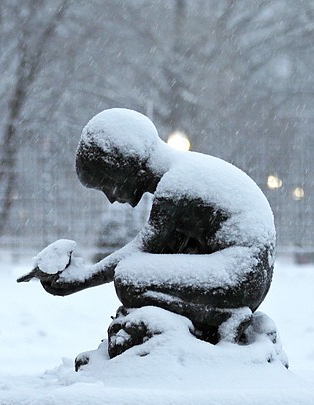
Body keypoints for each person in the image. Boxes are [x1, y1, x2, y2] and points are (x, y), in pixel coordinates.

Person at [27, 108, 276, 358]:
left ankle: (223, 316)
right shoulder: (186, 171)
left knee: (129, 280)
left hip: (237, 277)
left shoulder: (174, 187)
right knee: (135, 276)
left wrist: (82, 279)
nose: (111, 198)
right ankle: (211, 316)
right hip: (244, 277)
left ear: (123, 167)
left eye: (106, 185)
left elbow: (141, 251)